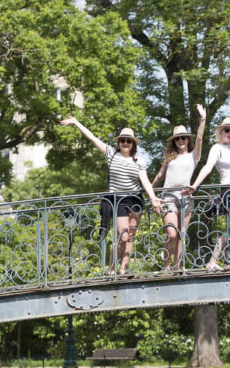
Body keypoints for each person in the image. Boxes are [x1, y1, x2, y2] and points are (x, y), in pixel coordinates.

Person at [60, 117, 162, 275]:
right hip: (118, 200)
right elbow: (92, 138)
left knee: (130, 237)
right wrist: (76, 123)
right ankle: (112, 268)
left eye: (129, 141)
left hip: (135, 199)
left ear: (133, 144)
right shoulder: (111, 154)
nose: (125, 143)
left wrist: (153, 198)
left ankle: (123, 268)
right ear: (119, 142)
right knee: (123, 235)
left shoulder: (139, 161)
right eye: (123, 140)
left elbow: (145, 181)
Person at [185, 92, 230, 272]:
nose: (229, 133)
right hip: (229, 190)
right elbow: (207, 167)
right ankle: (213, 261)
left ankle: (227, 260)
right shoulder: (216, 148)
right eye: (226, 130)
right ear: (221, 131)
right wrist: (195, 185)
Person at [151, 105, 207, 271]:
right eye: (177, 138)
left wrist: (202, 119)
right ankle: (166, 266)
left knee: (182, 234)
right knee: (172, 233)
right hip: (168, 197)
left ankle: (177, 268)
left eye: (183, 137)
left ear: (187, 140)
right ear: (174, 141)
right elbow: (160, 176)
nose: (181, 140)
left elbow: (200, 139)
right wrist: (150, 193)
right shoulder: (169, 157)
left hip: (185, 197)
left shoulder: (193, 157)